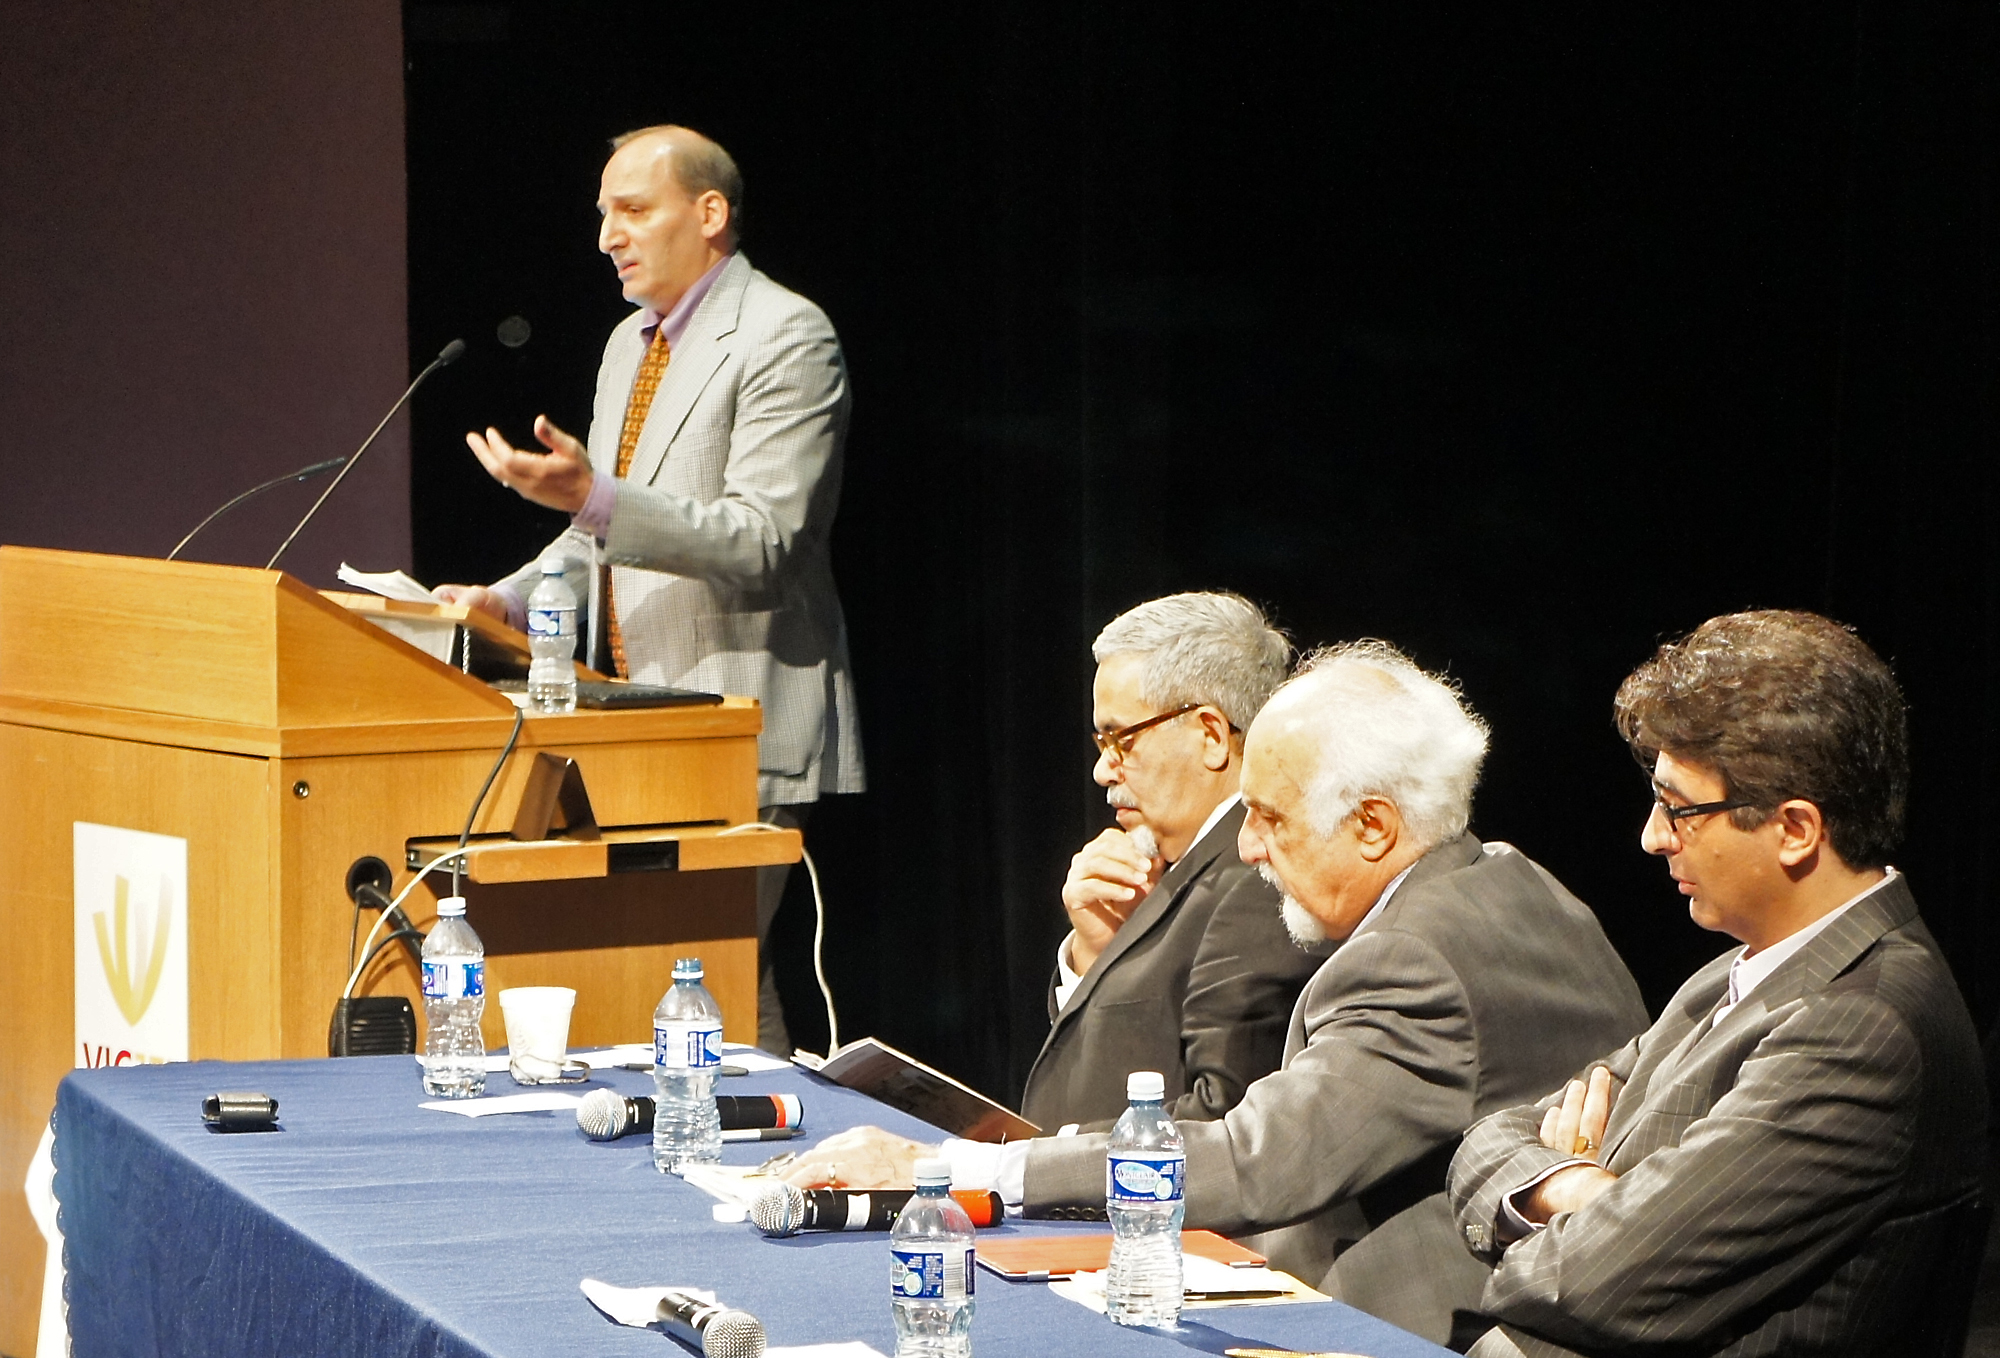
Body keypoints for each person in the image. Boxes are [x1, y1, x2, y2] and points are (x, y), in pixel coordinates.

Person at [787, 642, 1647, 1347]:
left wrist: (963, 1170)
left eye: (1272, 817)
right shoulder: (1514, 881)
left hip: (1420, 1325)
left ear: (1373, 826)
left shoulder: (1411, 961)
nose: (1247, 848)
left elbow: (1255, 1159)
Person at [1449, 611, 1986, 1358]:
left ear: (1794, 829)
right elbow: (1485, 1143)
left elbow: (1586, 1282)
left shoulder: (1861, 1030)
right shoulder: (1736, 973)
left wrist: (1580, 1211)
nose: (1653, 836)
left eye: (1680, 809)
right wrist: (1576, 1188)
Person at [436, 125, 862, 1054]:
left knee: (710, 970)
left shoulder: (786, 335)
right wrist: (505, 602)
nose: (607, 237)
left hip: (738, 716)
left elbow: (765, 538)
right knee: (689, 975)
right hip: (635, 723)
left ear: (708, 214)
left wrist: (593, 497)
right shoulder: (629, 347)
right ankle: (747, 1125)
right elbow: (599, 532)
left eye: (632, 210)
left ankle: (764, 1129)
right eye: (603, 215)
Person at [1020, 592, 1322, 1133]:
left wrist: (1026, 1161)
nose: (1102, 771)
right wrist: (1096, 955)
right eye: (1100, 742)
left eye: (1120, 739)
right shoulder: (1189, 871)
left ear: (1211, 736)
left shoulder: (1256, 880)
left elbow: (1225, 1123)